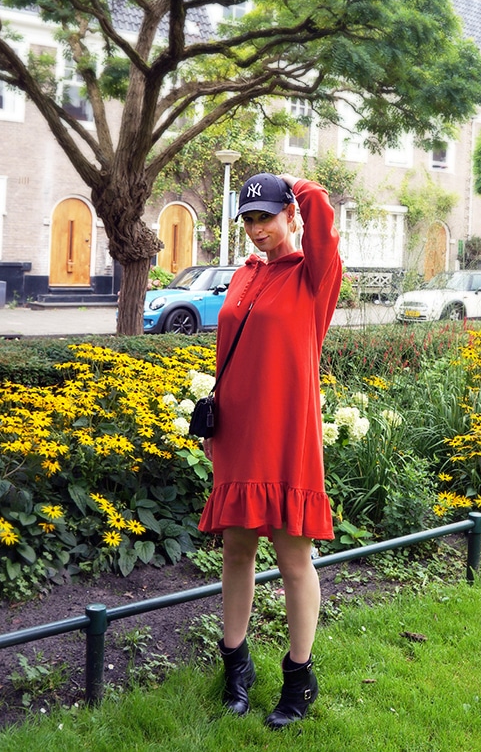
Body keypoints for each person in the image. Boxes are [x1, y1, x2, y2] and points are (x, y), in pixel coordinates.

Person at [198, 172, 342, 728]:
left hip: (288, 434)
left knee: (292, 558)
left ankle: (299, 679)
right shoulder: (243, 275)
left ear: (290, 216)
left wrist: (293, 182)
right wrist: (217, 426)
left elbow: (324, 223)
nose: (258, 229)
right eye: (249, 219)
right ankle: (236, 666)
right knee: (236, 550)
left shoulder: (314, 275)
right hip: (237, 433)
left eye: (267, 216)